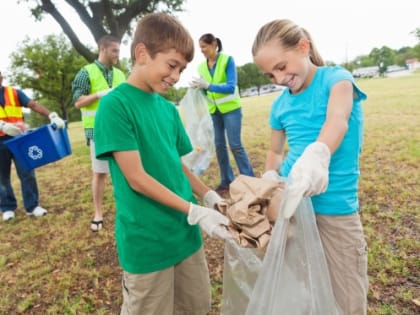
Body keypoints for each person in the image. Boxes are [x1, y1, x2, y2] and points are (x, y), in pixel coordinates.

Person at [94, 13, 231, 314]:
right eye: (172, 65)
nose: (176, 76)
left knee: (196, 306)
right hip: (148, 243)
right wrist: (194, 211)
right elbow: (137, 178)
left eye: (181, 69)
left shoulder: (168, 110)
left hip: (185, 235)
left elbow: (178, 167)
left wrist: (209, 197)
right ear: (142, 53)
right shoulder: (115, 106)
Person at [253, 19, 368, 314]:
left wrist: (318, 155)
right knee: (301, 290)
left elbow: (337, 120)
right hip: (290, 209)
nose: (278, 78)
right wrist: (270, 177)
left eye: (281, 67)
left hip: (334, 208)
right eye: (270, 74)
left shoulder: (336, 80)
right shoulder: (279, 106)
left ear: (303, 47)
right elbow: (275, 151)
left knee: (347, 295)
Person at [72, 35, 126, 232]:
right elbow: (78, 102)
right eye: (115, 51)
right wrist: (99, 95)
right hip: (98, 131)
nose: (117, 55)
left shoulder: (120, 74)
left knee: (124, 172)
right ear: (102, 49)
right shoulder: (85, 73)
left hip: (120, 129)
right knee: (100, 173)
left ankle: (125, 210)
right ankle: (98, 214)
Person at [190, 33, 254, 195]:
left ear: (213, 45)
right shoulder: (201, 67)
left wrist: (209, 85)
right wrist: (200, 88)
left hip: (231, 109)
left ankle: (249, 180)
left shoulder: (227, 60)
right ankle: (227, 180)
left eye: (204, 47)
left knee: (235, 145)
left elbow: (231, 86)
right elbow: (207, 91)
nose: (202, 51)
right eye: (200, 48)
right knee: (219, 146)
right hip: (215, 112)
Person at [0, 70, 65, 221]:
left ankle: (32, 206)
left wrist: (51, 115)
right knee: (2, 178)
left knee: (27, 171)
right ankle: (8, 207)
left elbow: (33, 104)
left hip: (19, 140)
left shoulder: (14, 93)